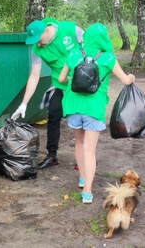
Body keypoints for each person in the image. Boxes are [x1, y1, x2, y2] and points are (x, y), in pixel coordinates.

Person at [58, 23, 135, 204]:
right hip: (94, 108)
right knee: (90, 151)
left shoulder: (74, 54)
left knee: (79, 142)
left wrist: (73, 80)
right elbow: (125, 80)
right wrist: (131, 77)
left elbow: (61, 79)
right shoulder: (108, 58)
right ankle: (87, 192)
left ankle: (83, 178)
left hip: (73, 106)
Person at [11, 17, 84, 169]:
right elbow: (34, 76)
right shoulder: (37, 49)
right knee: (53, 116)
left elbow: (92, 48)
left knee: (82, 119)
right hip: (59, 83)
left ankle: (84, 156)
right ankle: (52, 155)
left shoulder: (71, 30)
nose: (37, 44)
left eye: (38, 39)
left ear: (47, 30)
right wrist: (23, 103)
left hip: (80, 84)